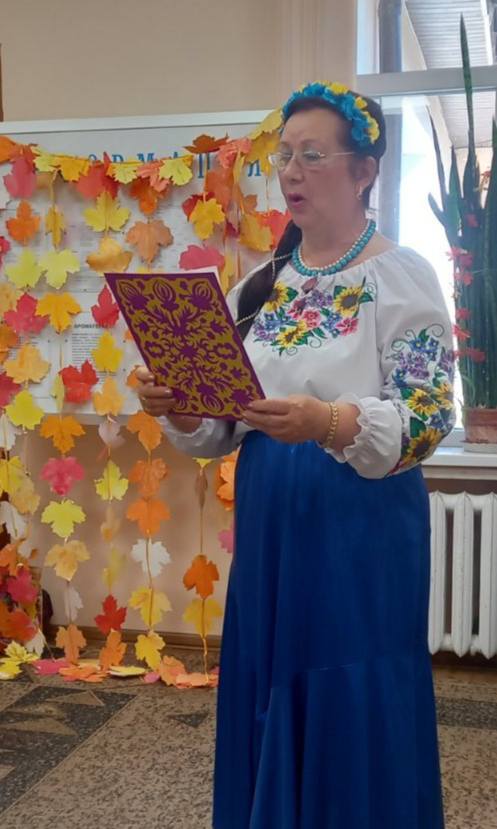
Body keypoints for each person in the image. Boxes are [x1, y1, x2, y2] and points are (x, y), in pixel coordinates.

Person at [136, 80, 455, 828]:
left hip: (359, 525)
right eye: (283, 156)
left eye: (312, 155)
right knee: (270, 672)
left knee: (349, 679)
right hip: (272, 524)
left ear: (363, 171)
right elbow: (221, 425)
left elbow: (427, 415)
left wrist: (328, 421)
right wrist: (179, 404)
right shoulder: (259, 287)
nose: (291, 173)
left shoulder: (401, 277)